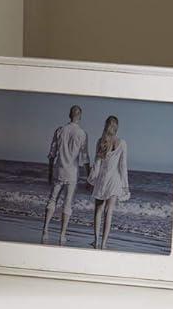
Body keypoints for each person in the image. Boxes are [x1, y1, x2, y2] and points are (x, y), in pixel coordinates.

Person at [41, 104, 89, 245]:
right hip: (72, 173)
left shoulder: (60, 130)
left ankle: (45, 228)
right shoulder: (82, 134)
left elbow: (52, 154)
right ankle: (62, 234)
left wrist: (50, 171)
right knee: (67, 203)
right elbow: (85, 157)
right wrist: (89, 176)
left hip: (59, 170)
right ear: (79, 116)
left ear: (69, 115)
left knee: (52, 199)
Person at [89, 115, 130, 250]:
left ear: (106, 126)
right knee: (109, 211)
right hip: (115, 180)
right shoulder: (122, 143)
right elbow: (123, 166)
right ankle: (104, 243)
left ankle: (96, 240)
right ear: (117, 127)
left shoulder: (101, 142)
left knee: (98, 210)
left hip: (102, 179)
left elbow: (97, 164)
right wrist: (125, 185)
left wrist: (92, 178)